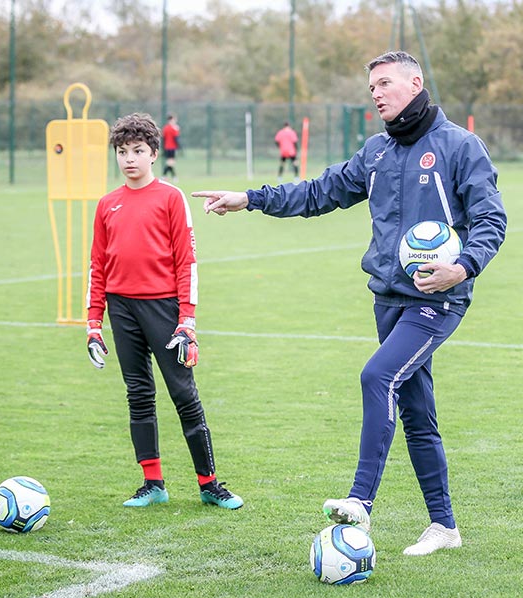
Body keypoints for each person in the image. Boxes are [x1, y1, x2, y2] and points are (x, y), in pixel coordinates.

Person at [193, 51, 506, 555]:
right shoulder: (376, 152)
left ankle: (360, 500)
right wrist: (250, 198)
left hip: (437, 298)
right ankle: (444, 527)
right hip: (388, 298)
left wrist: (463, 266)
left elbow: (491, 219)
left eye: (385, 83)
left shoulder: (459, 146)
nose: (377, 94)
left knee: (377, 376)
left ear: (415, 83)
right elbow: (320, 192)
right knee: (416, 412)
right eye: (372, 87)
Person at [86, 112, 243, 511]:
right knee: (138, 394)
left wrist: (186, 320)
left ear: (154, 153)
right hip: (122, 309)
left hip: (164, 309)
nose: (130, 159)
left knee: (183, 394)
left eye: (138, 150)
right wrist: (93, 323)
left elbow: (186, 261)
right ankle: (152, 483)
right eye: (122, 152)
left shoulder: (170, 198)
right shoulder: (106, 205)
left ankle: (209, 484)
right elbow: (97, 266)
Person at [161, 114, 180, 181]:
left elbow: (163, 138)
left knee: (170, 163)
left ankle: (170, 176)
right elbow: (176, 138)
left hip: (166, 147)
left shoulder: (165, 128)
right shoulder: (174, 128)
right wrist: (179, 146)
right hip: (172, 148)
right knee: (170, 163)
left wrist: (163, 148)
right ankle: (168, 176)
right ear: (171, 120)